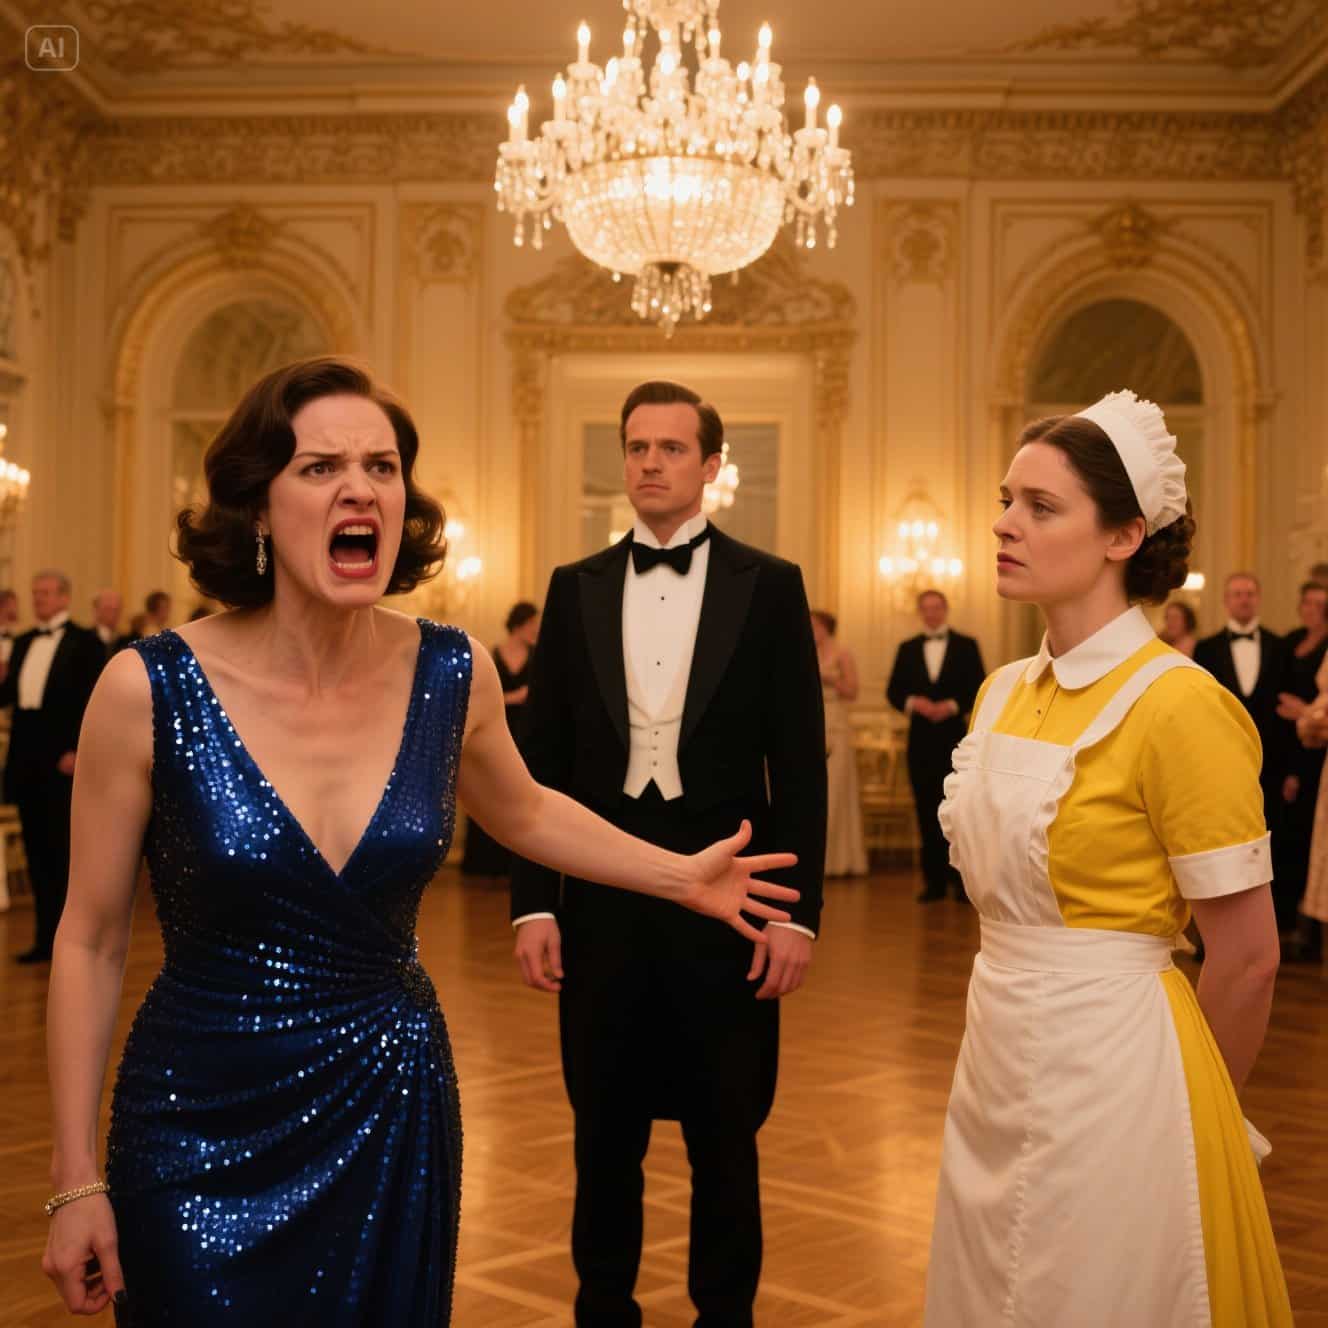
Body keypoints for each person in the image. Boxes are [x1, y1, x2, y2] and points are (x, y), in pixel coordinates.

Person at [39, 358, 800, 1326]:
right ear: (258, 505)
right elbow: (91, 938)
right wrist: (74, 1178)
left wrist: (680, 875)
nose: (359, 488)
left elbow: (526, 811)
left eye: (382, 467)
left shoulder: (450, 671)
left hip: (389, 1108)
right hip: (197, 1116)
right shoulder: (145, 687)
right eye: (320, 467)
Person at [926, 391, 1291, 1326]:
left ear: (1125, 536)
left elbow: (1248, 956)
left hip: (1124, 1068)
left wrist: (1196, 1118)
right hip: (994, 1048)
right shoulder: (1001, 692)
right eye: (1007, 500)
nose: (1004, 524)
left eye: (1041, 507)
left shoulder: (1182, 705)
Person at [510, 379, 826, 1328]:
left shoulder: (770, 586)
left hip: (734, 903)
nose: (651, 463)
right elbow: (540, 766)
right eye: (637, 447)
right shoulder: (573, 587)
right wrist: (534, 902)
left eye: (672, 448)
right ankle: (603, 1310)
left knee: (726, 1135)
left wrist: (800, 916)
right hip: (601, 903)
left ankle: (724, 1316)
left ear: (711, 466)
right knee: (602, 1132)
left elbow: (797, 763)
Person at [0, 571, 105, 963]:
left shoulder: (85, 643)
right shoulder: (24, 642)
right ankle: (44, 940)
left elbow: (95, 702)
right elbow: (10, 695)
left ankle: (69, 942)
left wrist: (78, 749)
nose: (38, 599)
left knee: (62, 853)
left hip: (63, 762)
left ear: (64, 597)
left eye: (45, 593)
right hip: (26, 760)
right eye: (35, 593)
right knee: (35, 853)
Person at [886, 590, 985, 902]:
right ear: (920, 612)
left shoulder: (967, 645)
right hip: (920, 741)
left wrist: (952, 706)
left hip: (956, 740)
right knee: (925, 809)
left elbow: (979, 686)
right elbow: (893, 691)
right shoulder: (907, 648)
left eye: (936, 607)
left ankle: (961, 883)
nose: (932, 613)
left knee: (959, 810)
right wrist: (914, 703)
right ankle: (934, 883)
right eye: (926, 609)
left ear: (945, 609)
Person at [1194, 573, 1288, 896]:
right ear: (1226, 601)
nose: (1244, 599)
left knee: (1276, 838)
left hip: (1273, 765)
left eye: (1249, 593)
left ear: (1258, 598)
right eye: (1237, 594)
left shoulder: (1280, 647)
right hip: (1223, 761)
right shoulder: (1205, 649)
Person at [460, 600, 539, 877]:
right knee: (487, 788)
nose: (536, 629)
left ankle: (515, 866)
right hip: (497, 727)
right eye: (532, 623)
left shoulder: (537, 656)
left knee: (519, 791)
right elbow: (481, 698)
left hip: (526, 730)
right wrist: (516, 697)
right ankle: (484, 863)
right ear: (519, 624)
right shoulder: (492, 654)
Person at [1272, 581, 1328, 945]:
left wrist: (1305, 713)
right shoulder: (1291, 641)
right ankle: (1293, 922)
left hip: (1315, 755)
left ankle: (1308, 932)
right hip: (1291, 745)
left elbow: (1317, 713)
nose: (1312, 609)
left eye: (1319, 604)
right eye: (1307, 602)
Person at [812, 609, 867, 877]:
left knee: (834, 791)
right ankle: (813, 859)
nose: (811, 630)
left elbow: (852, 691)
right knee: (813, 793)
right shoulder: (803, 650)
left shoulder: (842, 653)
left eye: (815, 625)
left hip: (836, 725)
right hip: (810, 720)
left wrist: (831, 679)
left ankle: (835, 861)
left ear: (826, 627)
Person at [90, 590, 132, 660]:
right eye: (108, 609)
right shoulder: (83, 640)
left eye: (116, 609)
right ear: (96, 610)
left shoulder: (127, 641)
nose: (113, 614)